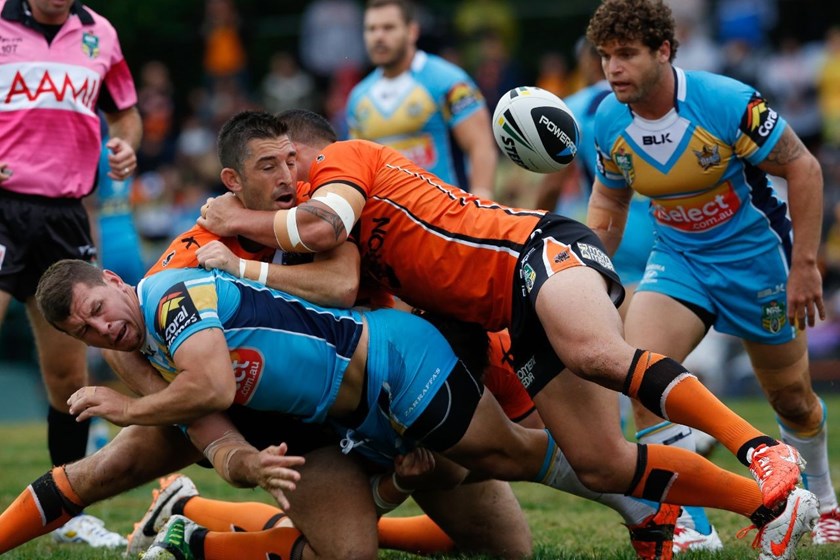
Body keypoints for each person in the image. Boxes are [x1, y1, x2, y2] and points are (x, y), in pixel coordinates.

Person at [197, 109, 820, 559]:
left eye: (293, 163)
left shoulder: (344, 160)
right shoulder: (351, 241)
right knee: (600, 463)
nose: (290, 180)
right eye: (271, 168)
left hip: (535, 250)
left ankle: (761, 448)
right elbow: (339, 286)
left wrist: (241, 224)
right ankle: (767, 506)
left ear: (315, 153)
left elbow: (324, 224)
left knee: (596, 352)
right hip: (510, 316)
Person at [584, 0, 840, 546]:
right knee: (643, 379)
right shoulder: (608, 119)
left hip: (756, 263)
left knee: (791, 399)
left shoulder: (726, 102)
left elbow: (804, 166)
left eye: (626, 54)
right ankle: (692, 526)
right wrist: (591, 272)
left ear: (664, 51)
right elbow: (609, 195)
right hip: (678, 262)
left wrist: (805, 266)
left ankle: (824, 501)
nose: (613, 69)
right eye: (605, 56)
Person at [536, 37, 720, 554]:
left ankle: (690, 511)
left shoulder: (577, 108)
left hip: (610, 245)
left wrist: (529, 219)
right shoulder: (662, 101)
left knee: (633, 373)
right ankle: (690, 490)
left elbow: (554, 179)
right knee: (645, 371)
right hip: (666, 239)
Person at [0, 0, 141, 547]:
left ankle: (68, 514)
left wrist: (128, 142)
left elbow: (125, 111)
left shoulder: (99, 33)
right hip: (4, 203)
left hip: (64, 213)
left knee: (68, 378)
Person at [345, 0, 497, 198]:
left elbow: (481, 145)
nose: (378, 36)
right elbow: (358, 167)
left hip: (446, 218)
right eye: (371, 29)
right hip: (387, 223)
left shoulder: (449, 81)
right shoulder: (358, 98)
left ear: (412, 31)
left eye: (388, 28)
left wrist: (482, 199)